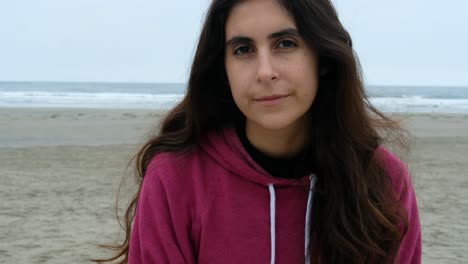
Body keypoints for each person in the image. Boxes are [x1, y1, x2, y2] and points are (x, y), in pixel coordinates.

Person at [96, 0, 421, 263]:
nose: (265, 72)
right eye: (243, 50)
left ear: (322, 57)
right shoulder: (175, 179)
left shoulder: (383, 180)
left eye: (285, 43)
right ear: (223, 69)